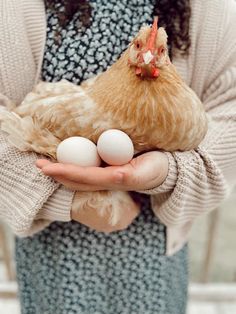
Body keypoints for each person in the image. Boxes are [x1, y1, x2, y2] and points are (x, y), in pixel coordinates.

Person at [0, 0, 235, 313]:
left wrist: (169, 171)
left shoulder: (208, 7)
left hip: (152, 241)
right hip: (55, 244)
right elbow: (13, 122)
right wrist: (62, 196)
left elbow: (230, 111)